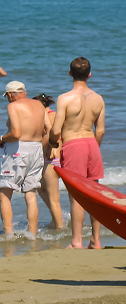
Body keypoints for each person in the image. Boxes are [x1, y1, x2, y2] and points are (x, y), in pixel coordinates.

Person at [51, 57, 106, 249]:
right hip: (92, 143)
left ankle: (76, 242)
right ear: (89, 75)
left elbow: (56, 130)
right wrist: (93, 146)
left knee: (76, 196)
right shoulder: (98, 99)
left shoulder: (64, 98)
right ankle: (96, 240)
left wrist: (51, 142)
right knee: (94, 194)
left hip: (73, 145)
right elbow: (100, 131)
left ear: (70, 74)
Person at [1, 81, 47, 238]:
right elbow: (49, 130)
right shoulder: (39, 105)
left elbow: (16, 133)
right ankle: (32, 234)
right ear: (24, 92)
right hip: (36, 149)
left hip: (18, 150)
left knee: (4, 192)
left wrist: (2, 138)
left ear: (9, 94)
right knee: (30, 192)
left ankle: (8, 233)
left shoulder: (13, 106)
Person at [34, 94, 64, 230]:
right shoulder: (57, 114)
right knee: (41, 188)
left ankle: (59, 226)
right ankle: (56, 219)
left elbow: (50, 134)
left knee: (53, 197)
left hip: (50, 158)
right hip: (60, 157)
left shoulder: (43, 118)